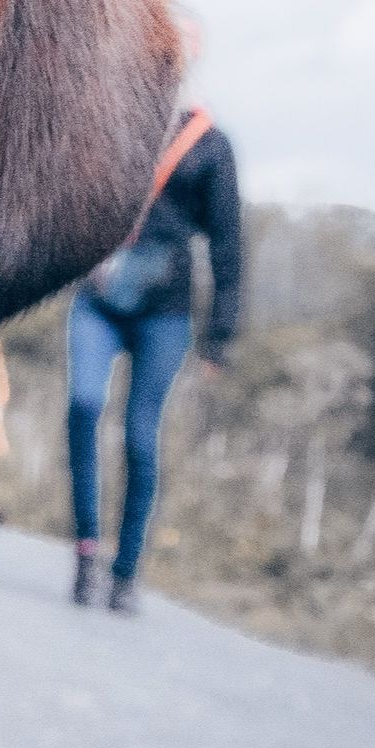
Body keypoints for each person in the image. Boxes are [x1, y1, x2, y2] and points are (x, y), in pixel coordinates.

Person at [64, 75, 243, 615]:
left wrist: (220, 337)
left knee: (141, 436)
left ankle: (126, 571)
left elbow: (229, 243)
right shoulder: (116, 120)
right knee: (84, 405)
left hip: (165, 312)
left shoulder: (211, 145)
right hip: (98, 299)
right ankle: (87, 546)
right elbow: (70, 199)